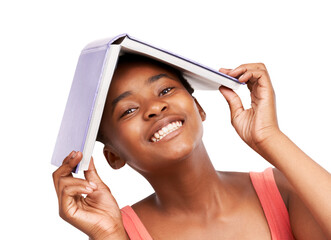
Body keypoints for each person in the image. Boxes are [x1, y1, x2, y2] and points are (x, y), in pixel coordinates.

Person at [52, 54, 331, 240]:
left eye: (165, 90)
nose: (155, 107)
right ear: (113, 156)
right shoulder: (117, 231)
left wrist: (269, 137)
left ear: (198, 107)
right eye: (128, 110)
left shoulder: (282, 191)